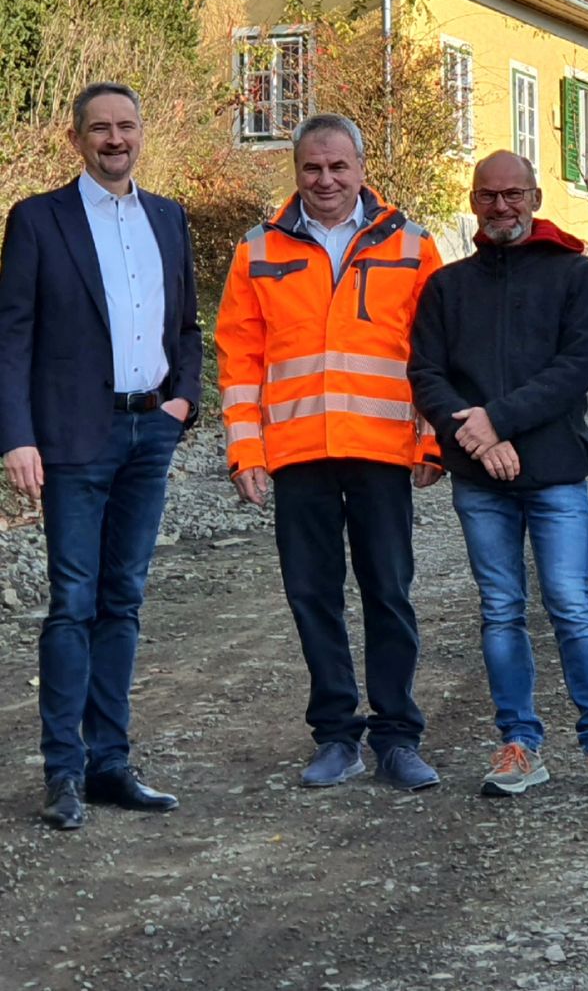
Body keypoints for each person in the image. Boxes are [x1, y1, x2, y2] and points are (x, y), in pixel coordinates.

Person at [216, 114, 444, 792]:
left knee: (388, 594)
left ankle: (398, 736)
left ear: (362, 168)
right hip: (297, 454)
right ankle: (336, 735)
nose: (325, 180)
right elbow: (238, 360)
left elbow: (435, 352)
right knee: (312, 596)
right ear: (296, 170)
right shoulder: (257, 251)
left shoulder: (411, 244)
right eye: (313, 168)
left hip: (381, 451)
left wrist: (433, 437)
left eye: (338, 167)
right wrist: (245, 450)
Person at [409, 151, 588, 799]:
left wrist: (496, 420)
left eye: (514, 194)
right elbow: (426, 374)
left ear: (536, 198)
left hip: (557, 475)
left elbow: (574, 371)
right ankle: (519, 743)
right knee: (501, 610)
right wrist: (477, 438)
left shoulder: (575, 275)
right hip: (479, 481)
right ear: (472, 200)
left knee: (572, 605)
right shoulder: (446, 287)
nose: (501, 207)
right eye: (489, 195)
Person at [0, 82, 202, 830]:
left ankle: (111, 763)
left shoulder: (168, 217)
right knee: (73, 604)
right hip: (71, 440)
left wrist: (182, 401)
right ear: (76, 138)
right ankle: (63, 772)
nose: (115, 139)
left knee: (124, 602)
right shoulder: (38, 220)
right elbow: (12, 334)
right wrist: (16, 436)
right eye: (100, 129)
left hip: (149, 435)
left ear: (142, 132)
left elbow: (186, 325)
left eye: (126, 126)